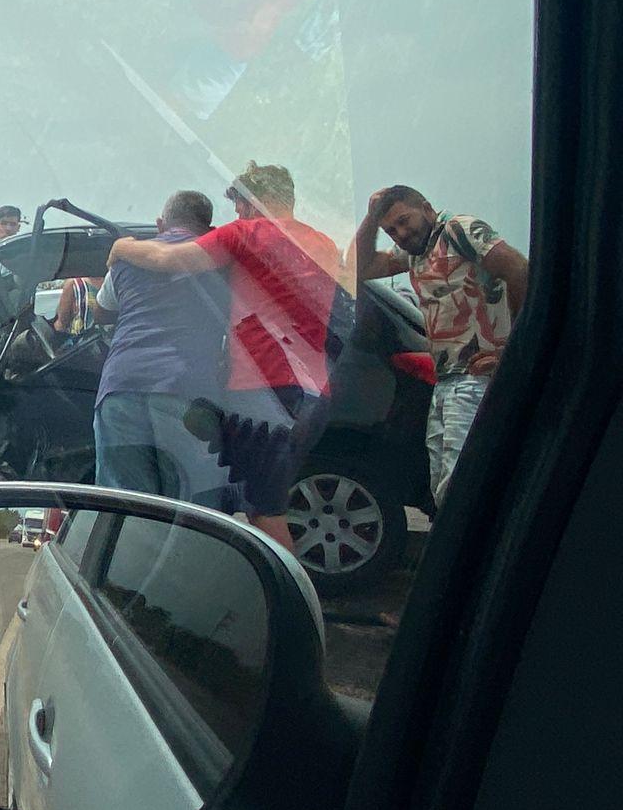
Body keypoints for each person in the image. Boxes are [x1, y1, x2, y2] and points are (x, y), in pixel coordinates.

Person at [107, 162, 343, 551]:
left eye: (239, 205)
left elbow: (170, 259)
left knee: (264, 511)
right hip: (314, 393)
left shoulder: (245, 234)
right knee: (263, 494)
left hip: (264, 391)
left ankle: (290, 598)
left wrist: (122, 247)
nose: (235, 214)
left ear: (255, 202)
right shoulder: (323, 243)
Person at [352, 185, 529, 503]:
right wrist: (369, 219)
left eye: (405, 220)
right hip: (448, 378)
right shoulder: (416, 251)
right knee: (443, 487)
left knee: (459, 486)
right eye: (391, 229)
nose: (401, 233)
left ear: (426, 207)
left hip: (475, 375)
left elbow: (517, 269)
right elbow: (360, 268)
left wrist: (512, 351)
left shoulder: (457, 229)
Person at [92, 191, 232, 506]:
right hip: (188, 390)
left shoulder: (124, 263)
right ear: (208, 228)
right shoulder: (221, 263)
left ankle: (130, 556)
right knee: (193, 505)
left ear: (160, 224)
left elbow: (101, 312)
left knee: (127, 505)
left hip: (120, 388)